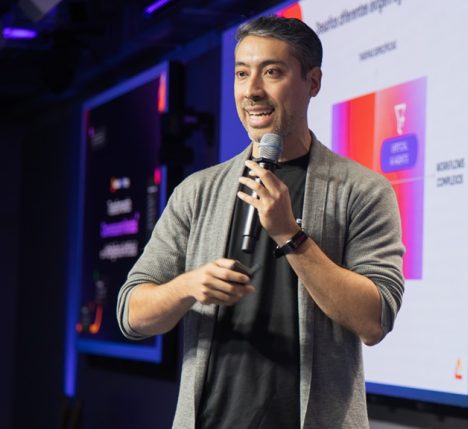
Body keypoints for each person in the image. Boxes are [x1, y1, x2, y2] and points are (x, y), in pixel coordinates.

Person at [116, 16, 404, 429]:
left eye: (271, 72)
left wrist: (291, 235)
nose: (252, 90)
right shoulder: (197, 192)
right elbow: (131, 314)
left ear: (313, 82)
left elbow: (374, 321)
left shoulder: (361, 190)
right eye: (241, 73)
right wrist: (187, 286)